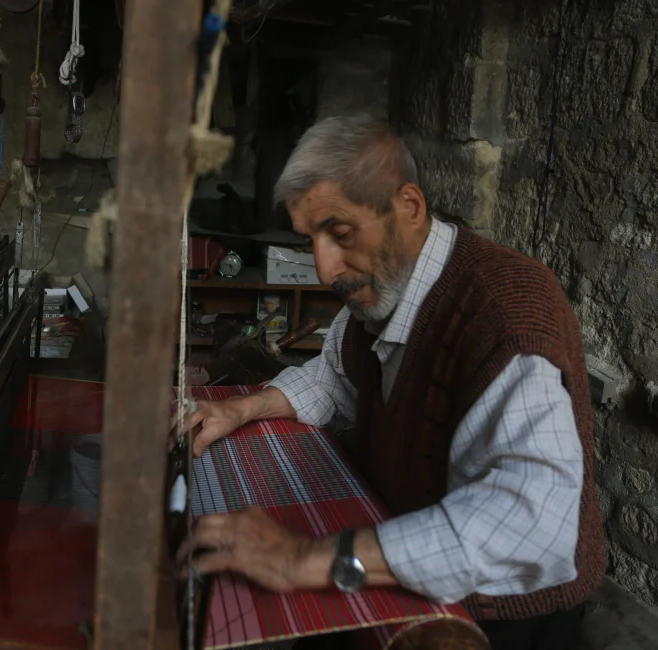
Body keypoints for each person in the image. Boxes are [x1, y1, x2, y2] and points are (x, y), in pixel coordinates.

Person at [177, 115, 604, 650]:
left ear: (409, 207)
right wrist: (242, 409)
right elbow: (334, 376)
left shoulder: (506, 313)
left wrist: (301, 558)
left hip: (502, 617)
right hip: (415, 567)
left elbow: (525, 523)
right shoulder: (381, 298)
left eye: (341, 233)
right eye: (311, 240)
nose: (325, 269)